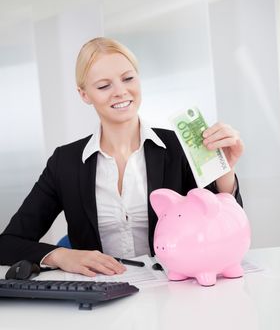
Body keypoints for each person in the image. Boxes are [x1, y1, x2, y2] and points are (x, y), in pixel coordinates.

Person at [0, 37, 244, 277]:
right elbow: (8, 243)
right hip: (101, 295)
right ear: (84, 94)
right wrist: (62, 255)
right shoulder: (65, 163)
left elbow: (224, 227)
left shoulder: (179, 147)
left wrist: (225, 172)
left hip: (175, 287)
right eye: (104, 86)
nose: (120, 91)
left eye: (128, 78)